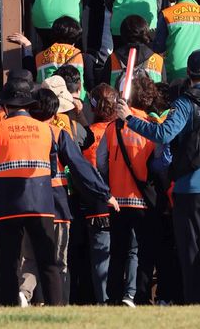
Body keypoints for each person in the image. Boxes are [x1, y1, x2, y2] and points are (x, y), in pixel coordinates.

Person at [117, 49, 200, 304]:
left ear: (189, 74)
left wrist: (130, 119)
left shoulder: (184, 104)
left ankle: (194, 305)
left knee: (190, 252)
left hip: (191, 189)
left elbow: (163, 134)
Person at [0, 78, 62, 306]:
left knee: (8, 259)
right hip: (41, 202)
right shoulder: (46, 129)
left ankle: (9, 306)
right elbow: (53, 169)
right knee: (47, 260)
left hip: (7, 202)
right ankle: (57, 306)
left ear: (6, 106)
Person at [29, 82, 112, 303]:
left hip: (24, 204)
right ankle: (58, 303)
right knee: (59, 261)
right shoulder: (63, 132)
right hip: (58, 203)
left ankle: (28, 297)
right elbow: (81, 164)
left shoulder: (17, 130)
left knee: (30, 259)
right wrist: (104, 193)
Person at [98, 75, 164, 305]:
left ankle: (114, 296)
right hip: (144, 200)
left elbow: (101, 162)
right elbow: (158, 162)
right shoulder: (152, 127)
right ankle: (139, 295)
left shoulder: (111, 128)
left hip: (117, 199)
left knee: (118, 251)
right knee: (144, 252)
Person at [82, 84, 120, 304]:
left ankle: (105, 302)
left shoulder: (87, 134)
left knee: (100, 259)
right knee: (127, 254)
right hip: (123, 198)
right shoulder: (123, 128)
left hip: (96, 203)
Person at [103, 14, 164, 87]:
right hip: (149, 98)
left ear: (122, 34)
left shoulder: (113, 59)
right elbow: (163, 90)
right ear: (145, 33)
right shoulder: (158, 60)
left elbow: (104, 89)